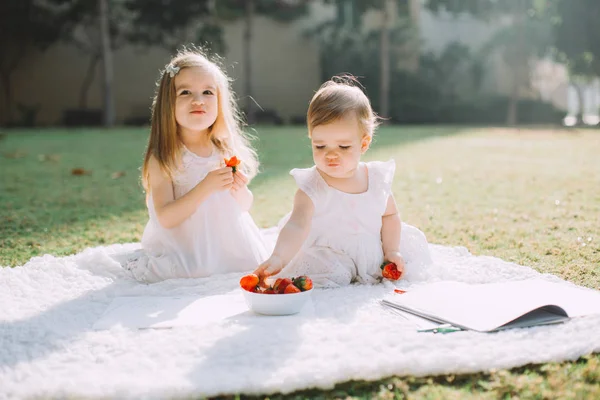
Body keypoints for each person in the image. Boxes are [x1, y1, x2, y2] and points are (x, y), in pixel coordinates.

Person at [254, 76, 432, 287]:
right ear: (311, 139)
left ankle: (387, 259)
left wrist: (391, 250)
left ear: (363, 144)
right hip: (330, 253)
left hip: (372, 250)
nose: (331, 155)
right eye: (320, 146)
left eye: (343, 147)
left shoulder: (375, 179)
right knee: (329, 272)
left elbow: (390, 215)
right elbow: (296, 225)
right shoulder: (312, 186)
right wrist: (279, 257)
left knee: (407, 263)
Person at [123, 47, 270, 283]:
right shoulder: (163, 158)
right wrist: (205, 187)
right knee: (190, 271)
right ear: (168, 103)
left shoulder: (224, 150)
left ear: (220, 102)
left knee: (251, 265)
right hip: (186, 246)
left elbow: (244, 206)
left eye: (207, 92)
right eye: (185, 92)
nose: (198, 100)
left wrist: (239, 189)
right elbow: (166, 218)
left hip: (227, 244)